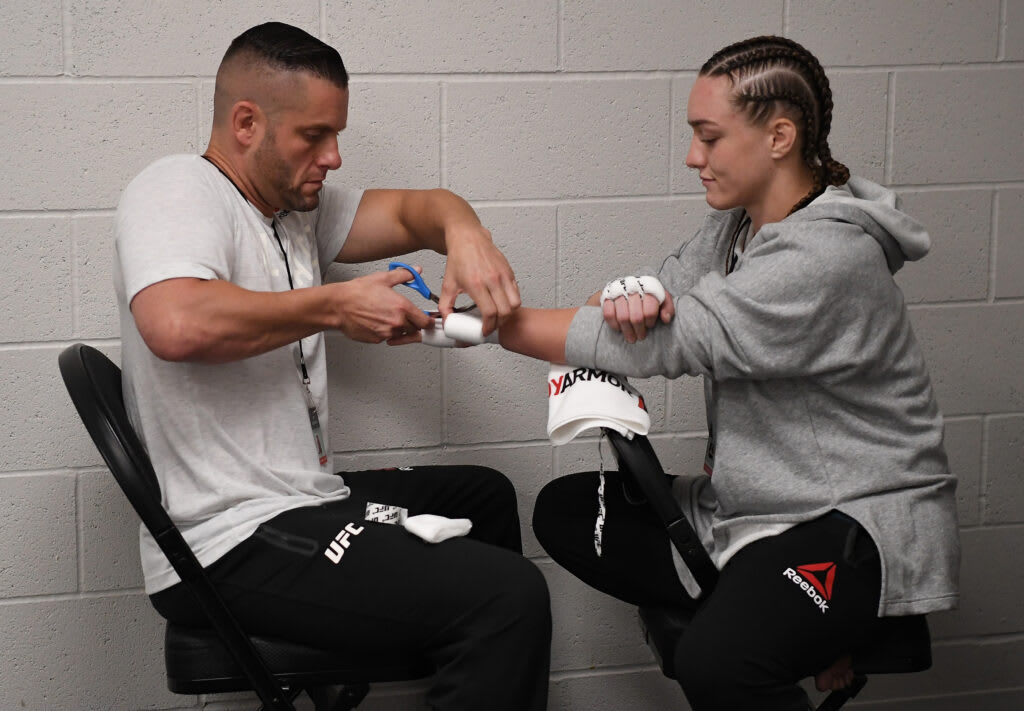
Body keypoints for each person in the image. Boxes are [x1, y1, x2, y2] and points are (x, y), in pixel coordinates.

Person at [487, 35, 960, 711]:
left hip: (852, 518)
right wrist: (624, 298)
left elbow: (683, 339)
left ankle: (761, 629)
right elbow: (639, 309)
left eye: (708, 137)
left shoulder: (829, 255)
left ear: (779, 136)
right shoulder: (733, 231)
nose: (692, 156)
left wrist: (488, 327)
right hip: (751, 503)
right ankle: (772, 616)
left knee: (715, 663)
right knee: (567, 512)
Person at [113, 22, 549, 711]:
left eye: (336, 135)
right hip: (229, 537)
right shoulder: (176, 189)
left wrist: (465, 235)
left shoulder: (291, 213)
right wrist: (336, 307)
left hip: (298, 499)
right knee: (510, 596)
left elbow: (420, 209)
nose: (335, 157)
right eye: (314, 136)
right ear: (247, 122)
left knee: (485, 496)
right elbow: (175, 322)